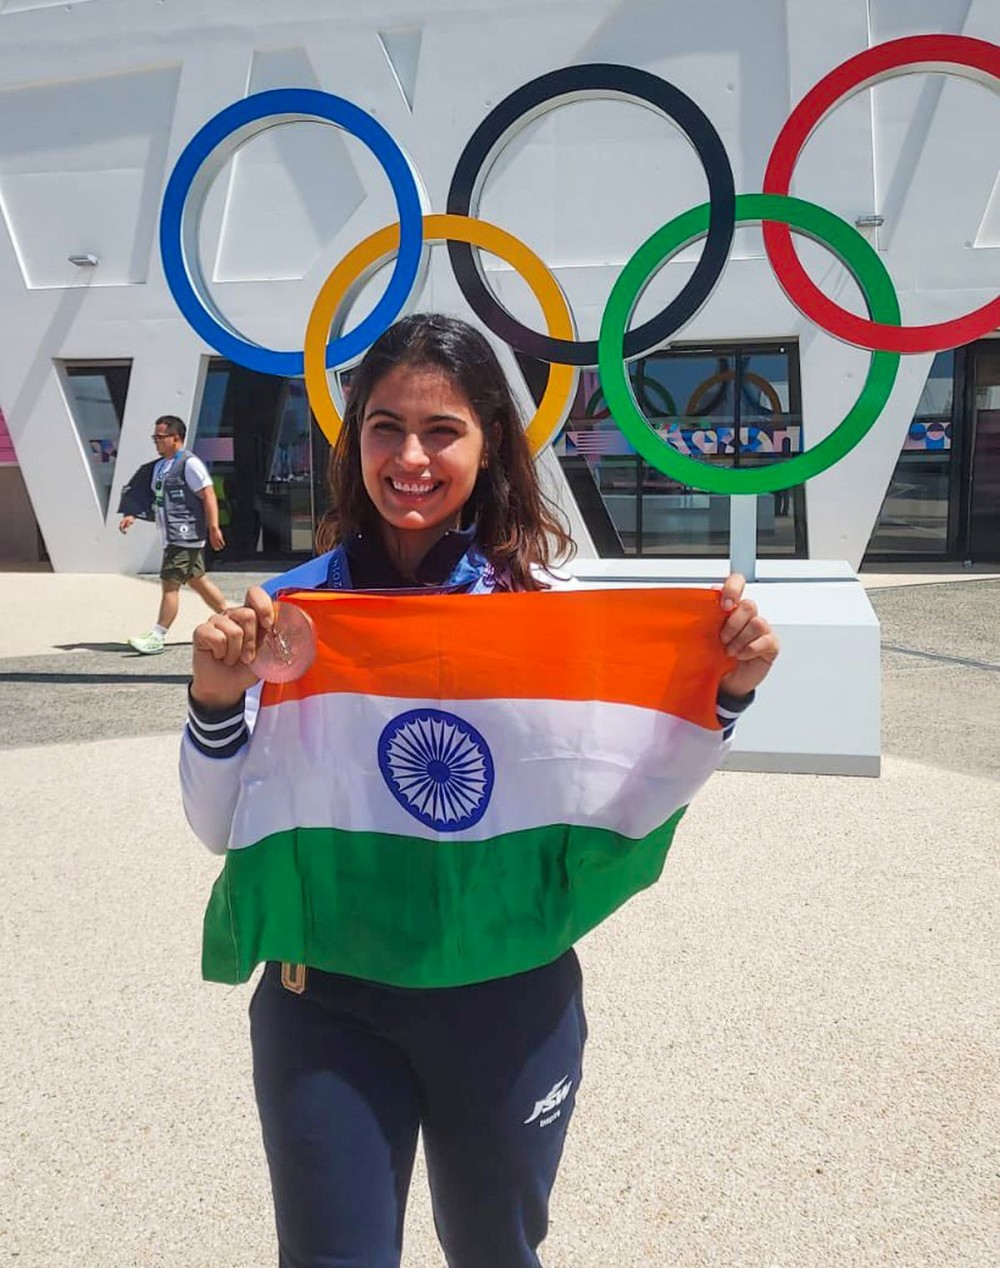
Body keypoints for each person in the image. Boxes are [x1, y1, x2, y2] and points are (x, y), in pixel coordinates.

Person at [180, 314, 780, 1268]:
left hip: (507, 1004)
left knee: (497, 1254)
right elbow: (223, 833)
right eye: (385, 426)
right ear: (355, 439)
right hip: (326, 1004)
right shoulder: (293, 621)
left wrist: (725, 688)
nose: (409, 457)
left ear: (489, 441)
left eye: (442, 430)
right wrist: (215, 699)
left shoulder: (542, 622)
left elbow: (632, 794)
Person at [117, 415, 228, 654]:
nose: (156, 441)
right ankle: (231, 617)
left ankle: (158, 636)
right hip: (172, 534)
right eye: (154, 437)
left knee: (170, 585)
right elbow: (152, 497)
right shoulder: (159, 467)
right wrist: (133, 514)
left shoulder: (189, 463)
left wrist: (213, 527)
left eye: (160, 437)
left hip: (185, 535)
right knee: (198, 581)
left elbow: (207, 494)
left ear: (176, 438)